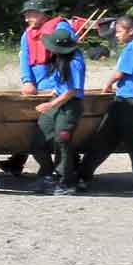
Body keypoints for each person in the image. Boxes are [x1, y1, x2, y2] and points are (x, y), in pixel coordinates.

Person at [79, 15, 133, 195]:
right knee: (103, 138)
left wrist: (108, 84)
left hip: (130, 102)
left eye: (119, 32)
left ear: (130, 31)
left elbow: (121, 72)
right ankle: (82, 175)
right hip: (125, 99)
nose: (116, 35)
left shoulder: (132, 47)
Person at [0, 0, 76, 178]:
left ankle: (62, 168)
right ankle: (18, 160)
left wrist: (57, 88)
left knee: (50, 130)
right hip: (37, 87)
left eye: (29, 15)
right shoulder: (27, 34)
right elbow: (24, 59)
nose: (26, 19)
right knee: (34, 125)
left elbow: (66, 59)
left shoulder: (61, 29)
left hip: (56, 89)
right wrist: (27, 81)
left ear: (42, 13)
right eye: (25, 15)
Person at [27, 30, 87, 195]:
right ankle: (48, 173)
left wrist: (50, 104)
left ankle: (65, 181)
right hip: (57, 101)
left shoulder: (74, 62)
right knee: (39, 138)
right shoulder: (59, 59)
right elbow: (60, 85)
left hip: (69, 105)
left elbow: (72, 90)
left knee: (62, 141)